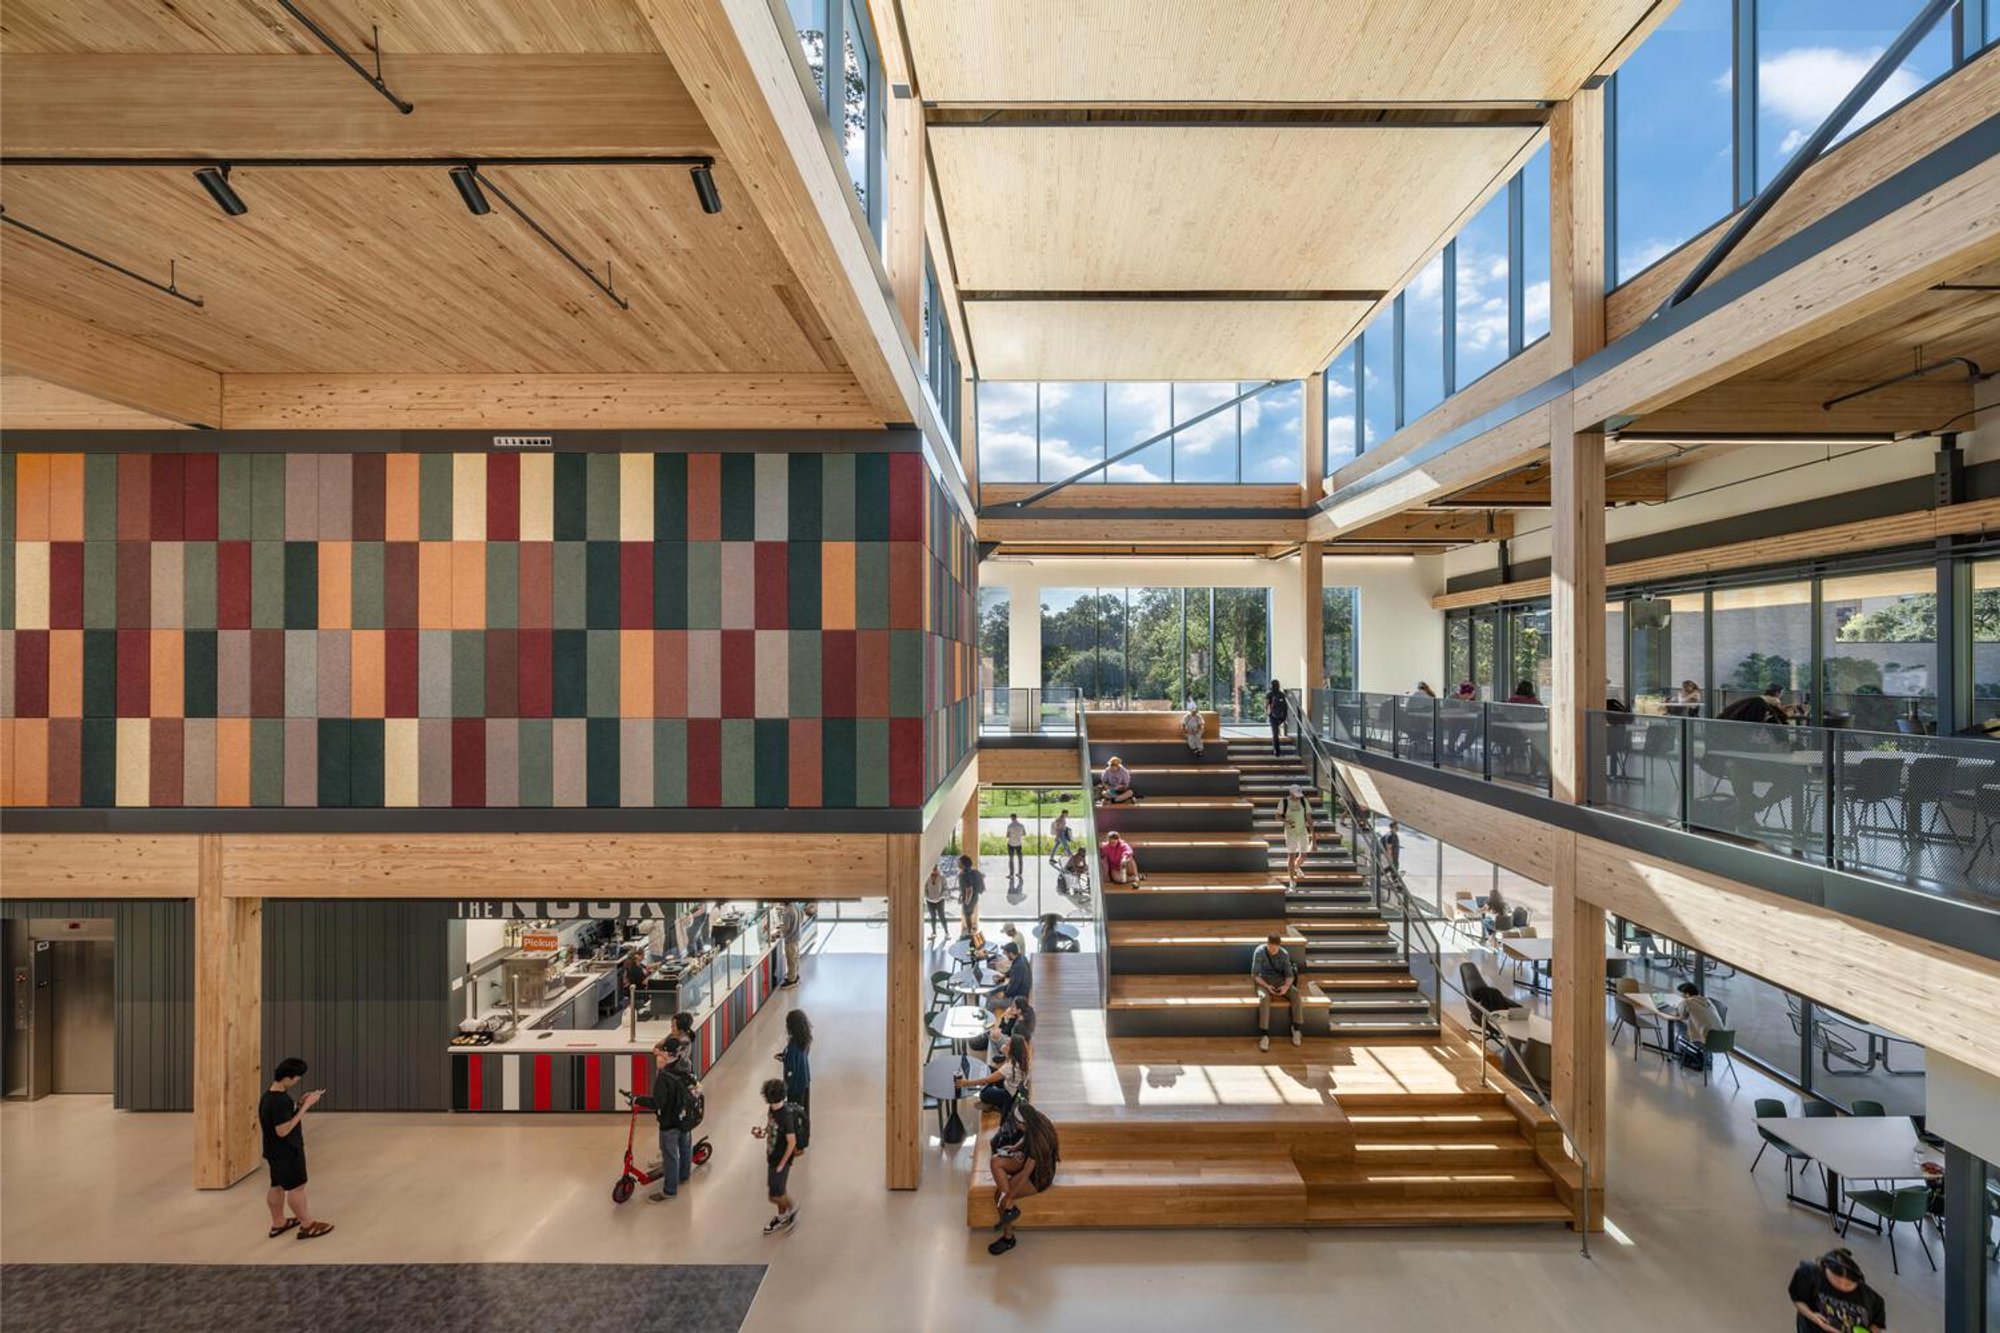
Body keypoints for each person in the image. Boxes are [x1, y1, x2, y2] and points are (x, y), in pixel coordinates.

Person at [260, 1057, 332, 1240]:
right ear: (287, 1077)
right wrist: (306, 1107)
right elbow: (283, 1130)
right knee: (297, 1187)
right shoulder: (280, 1101)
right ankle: (307, 1225)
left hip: (273, 1151)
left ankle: (278, 1222)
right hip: (288, 1151)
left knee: (276, 1185)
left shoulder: (268, 1097)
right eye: (296, 1078)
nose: (297, 1081)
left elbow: (281, 1119)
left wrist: (299, 1104)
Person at [987, 1099, 1061, 1256]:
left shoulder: (1038, 1141)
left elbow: (1025, 1174)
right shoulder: (1036, 1119)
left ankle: (1009, 1238)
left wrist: (1009, 1196)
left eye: (1016, 1123)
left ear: (1024, 1123)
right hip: (1029, 1159)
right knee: (995, 1161)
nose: (1015, 1126)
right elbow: (1027, 1136)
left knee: (1000, 1198)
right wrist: (1015, 1148)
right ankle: (1010, 1209)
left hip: (1039, 1176)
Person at [632, 1037, 695, 1201]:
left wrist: (637, 1100)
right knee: (685, 1146)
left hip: (670, 1121)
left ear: (667, 1053)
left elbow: (657, 1103)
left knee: (670, 1155)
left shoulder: (664, 1078)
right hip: (686, 1117)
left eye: (662, 1051)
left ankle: (669, 1190)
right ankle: (684, 1175)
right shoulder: (685, 1065)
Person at [1789, 1248, 1885, 1333]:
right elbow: (1797, 1300)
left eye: (1849, 1285)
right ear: (1824, 1269)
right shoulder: (1809, 1274)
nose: (1842, 1286)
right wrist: (1814, 1317)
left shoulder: (1873, 1299)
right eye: (1836, 1281)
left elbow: (1877, 1324)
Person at [751, 1078, 802, 1235]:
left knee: (774, 1195)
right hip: (772, 1156)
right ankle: (782, 1216)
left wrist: (782, 1163)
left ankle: (792, 1210)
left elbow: (792, 1142)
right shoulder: (773, 1109)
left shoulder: (785, 1116)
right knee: (777, 1192)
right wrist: (762, 1132)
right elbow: (771, 1127)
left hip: (780, 1160)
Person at [1251, 934, 1304, 1051]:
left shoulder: (1284, 954)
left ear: (1279, 946)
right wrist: (1267, 986)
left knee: (1296, 993)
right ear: (1267, 944)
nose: (1272, 950)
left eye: (1275, 949)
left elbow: (1289, 976)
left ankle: (1296, 1028)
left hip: (1280, 980)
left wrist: (1286, 986)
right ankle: (1264, 1035)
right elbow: (1255, 975)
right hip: (1263, 980)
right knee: (1264, 998)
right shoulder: (1259, 952)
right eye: (1270, 947)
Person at [958, 1033, 1032, 1117]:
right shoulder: (1023, 1059)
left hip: (1008, 1096)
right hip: (1012, 1086)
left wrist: (966, 1083)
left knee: (983, 1093)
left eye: (1008, 1044)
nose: (1006, 1044)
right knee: (989, 1069)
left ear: (1013, 1049)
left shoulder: (1010, 1067)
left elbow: (986, 1080)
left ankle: (995, 1104)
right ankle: (991, 1098)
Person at [776, 1009, 812, 1154]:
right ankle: (804, 1140)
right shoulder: (805, 1040)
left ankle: (797, 1146)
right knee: (804, 1113)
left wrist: (784, 1060)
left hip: (795, 1087)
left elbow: (791, 1070)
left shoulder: (792, 1047)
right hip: (805, 1081)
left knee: (795, 1116)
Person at [1671, 981, 1724, 1062]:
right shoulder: (1707, 1000)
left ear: (1687, 994)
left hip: (1706, 1041)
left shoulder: (1687, 1002)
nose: (1681, 996)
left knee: (1679, 1024)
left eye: (1681, 994)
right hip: (1723, 1040)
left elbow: (1681, 1016)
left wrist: (1678, 1007)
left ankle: (1676, 1050)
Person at [1277, 783, 1316, 885]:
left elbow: (1309, 818)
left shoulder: (1303, 801)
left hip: (1302, 831)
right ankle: (1292, 880)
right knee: (1291, 856)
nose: (1297, 796)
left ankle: (1296, 867)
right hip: (1290, 833)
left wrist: (1314, 836)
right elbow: (1277, 816)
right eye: (1295, 794)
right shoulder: (1284, 802)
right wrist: (1287, 821)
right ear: (1291, 793)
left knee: (1303, 855)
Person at [957, 854, 985, 930]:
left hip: (969, 898)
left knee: (967, 915)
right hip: (975, 897)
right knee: (969, 913)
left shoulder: (964, 875)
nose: (958, 863)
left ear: (963, 864)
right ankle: (971, 928)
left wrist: (966, 901)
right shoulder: (974, 872)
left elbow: (969, 889)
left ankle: (970, 932)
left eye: (959, 862)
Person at [923, 864, 949, 940]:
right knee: (932, 917)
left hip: (940, 901)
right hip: (929, 901)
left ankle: (947, 933)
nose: (934, 870)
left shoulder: (942, 877)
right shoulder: (927, 877)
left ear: (938, 869)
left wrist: (940, 896)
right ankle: (934, 933)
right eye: (933, 869)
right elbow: (924, 888)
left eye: (936, 868)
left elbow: (945, 888)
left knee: (942, 917)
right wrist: (926, 896)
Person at [1265, 679, 1290, 756]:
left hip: (1275, 716)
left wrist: (1267, 713)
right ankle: (1277, 751)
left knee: (1275, 733)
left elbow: (1266, 705)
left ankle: (1276, 751)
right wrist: (1285, 717)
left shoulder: (1271, 694)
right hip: (1278, 716)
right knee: (1275, 733)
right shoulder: (1280, 694)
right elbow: (1285, 707)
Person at [781, 901, 803, 988]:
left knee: (791, 960)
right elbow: (802, 916)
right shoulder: (796, 906)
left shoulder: (787, 912)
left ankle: (792, 981)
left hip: (790, 939)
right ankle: (795, 975)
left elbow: (786, 928)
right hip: (797, 937)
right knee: (795, 958)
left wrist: (778, 932)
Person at [1004, 814, 1027, 884]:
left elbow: (1007, 836)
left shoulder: (1010, 826)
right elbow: (1024, 834)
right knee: (1020, 859)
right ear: (1016, 817)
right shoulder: (1021, 825)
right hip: (1019, 844)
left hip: (1011, 844)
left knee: (1011, 859)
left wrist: (1012, 835)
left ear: (1011, 818)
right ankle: (1020, 873)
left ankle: (1011, 875)